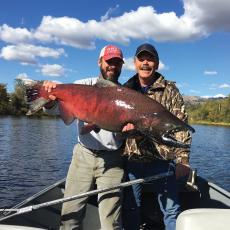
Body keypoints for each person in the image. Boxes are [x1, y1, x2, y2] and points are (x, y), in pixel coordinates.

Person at [43, 45, 126, 230]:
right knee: (70, 216)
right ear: (99, 62)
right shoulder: (82, 85)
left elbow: (127, 132)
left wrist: (129, 130)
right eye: (109, 61)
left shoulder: (125, 95)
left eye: (117, 63)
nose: (112, 66)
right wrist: (48, 101)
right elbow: (55, 110)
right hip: (83, 155)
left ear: (121, 66)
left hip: (113, 159)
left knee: (111, 223)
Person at [122, 43, 192, 230]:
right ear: (135, 63)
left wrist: (183, 160)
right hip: (133, 159)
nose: (146, 63)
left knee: (171, 209)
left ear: (157, 63)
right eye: (141, 59)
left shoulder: (170, 90)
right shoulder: (126, 89)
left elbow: (181, 125)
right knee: (130, 207)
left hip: (163, 160)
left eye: (150, 59)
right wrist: (123, 129)